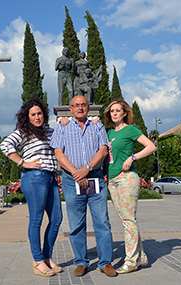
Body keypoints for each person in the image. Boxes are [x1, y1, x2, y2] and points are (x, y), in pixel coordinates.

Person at [50, 95, 117, 278]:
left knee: (102, 222)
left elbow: (103, 150)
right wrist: (76, 173)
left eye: (83, 105)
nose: (80, 108)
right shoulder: (62, 127)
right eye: (76, 105)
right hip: (72, 181)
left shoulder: (97, 126)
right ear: (70, 109)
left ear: (88, 107)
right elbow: (58, 153)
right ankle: (81, 261)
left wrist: (86, 169)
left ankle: (105, 262)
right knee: (76, 224)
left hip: (94, 178)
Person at [0, 99, 63, 277]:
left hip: (51, 178)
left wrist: (64, 123)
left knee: (57, 218)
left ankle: (47, 257)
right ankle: (37, 261)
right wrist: (22, 162)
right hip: (34, 177)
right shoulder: (23, 132)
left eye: (39, 113)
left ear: (44, 114)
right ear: (27, 117)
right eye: (33, 114)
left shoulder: (50, 131)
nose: (37, 117)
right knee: (36, 220)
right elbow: (5, 145)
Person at [104, 99, 157, 274]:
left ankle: (131, 260)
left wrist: (132, 158)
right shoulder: (109, 132)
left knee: (129, 220)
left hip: (127, 178)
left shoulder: (131, 129)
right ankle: (140, 257)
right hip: (112, 180)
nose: (114, 114)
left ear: (125, 113)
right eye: (112, 111)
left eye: (118, 110)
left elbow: (151, 147)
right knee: (126, 221)